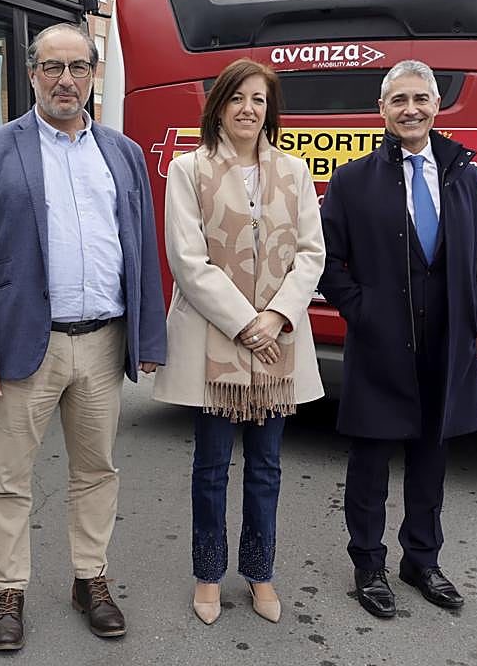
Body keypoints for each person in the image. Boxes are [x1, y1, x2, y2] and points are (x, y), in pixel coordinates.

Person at [0, 22, 167, 651]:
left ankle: (89, 579)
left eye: (77, 67)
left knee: (96, 471)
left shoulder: (122, 153)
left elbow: (140, 249)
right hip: (25, 346)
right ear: (32, 74)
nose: (65, 80)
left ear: (94, 74)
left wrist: (148, 337)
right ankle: (8, 590)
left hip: (102, 343)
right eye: (52, 67)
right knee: (7, 478)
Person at [318, 59, 477, 618]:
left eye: (420, 98)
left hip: (446, 345)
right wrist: (363, 312)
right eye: (398, 100)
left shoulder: (463, 175)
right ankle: (368, 564)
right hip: (380, 346)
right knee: (370, 463)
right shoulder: (353, 180)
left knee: (430, 461)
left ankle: (422, 560)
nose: (411, 109)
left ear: (436, 106)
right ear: (381, 110)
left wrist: (475, 309)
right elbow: (327, 260)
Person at [151, 58, 325, 625]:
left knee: (267, 467)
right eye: (237, 98)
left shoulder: (295, 171)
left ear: (270, 110)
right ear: (218, 107)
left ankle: (259, 572)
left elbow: (311, 253)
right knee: (211, 467)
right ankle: (208, 575)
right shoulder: (189, 169)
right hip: (216, 343)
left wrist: (275, 317)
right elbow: (188, 259)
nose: (248, 109)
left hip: (278, 344)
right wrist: (245, 324)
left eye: (259, 99)